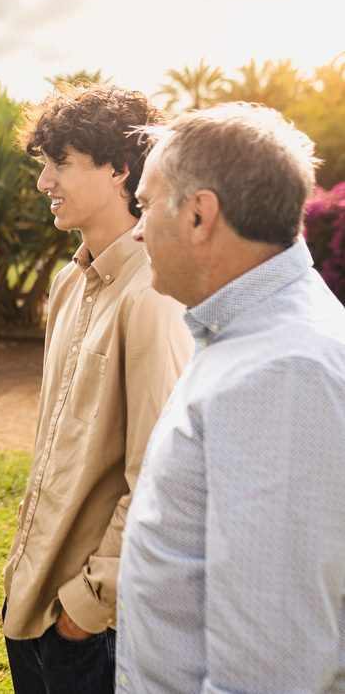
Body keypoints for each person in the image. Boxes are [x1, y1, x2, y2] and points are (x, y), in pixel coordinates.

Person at [116, 104, 345, 692]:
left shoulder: (281, 372)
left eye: (144, 205)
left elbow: (271, 670)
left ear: (199, 215)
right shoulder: (248, 336)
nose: (136, 230)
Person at [2, 84, 192, 693]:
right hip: (30, 604)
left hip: (86, 628)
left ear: (120, 169)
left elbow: (160, 478)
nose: (44, 182)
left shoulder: (153, 296)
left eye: (60, 163)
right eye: (43, 164)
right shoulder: (66, 284)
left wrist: (84, 611)